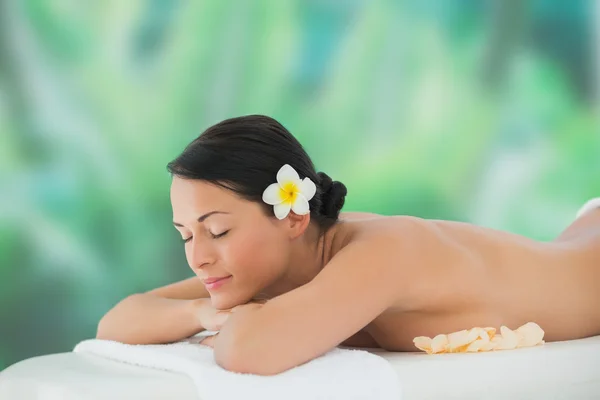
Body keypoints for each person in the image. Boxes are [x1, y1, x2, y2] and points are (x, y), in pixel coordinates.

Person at [96, 114, 600, 375]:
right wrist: (201, 315)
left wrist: (234, 320)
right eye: (185, 234)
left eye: (218, 230)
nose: (198, 255)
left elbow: (250, 348)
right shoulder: (271, 267)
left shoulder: (382, 253)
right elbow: (116, 323)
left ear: (293, 216)